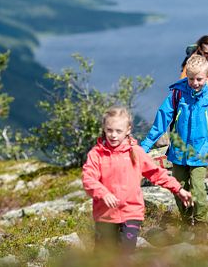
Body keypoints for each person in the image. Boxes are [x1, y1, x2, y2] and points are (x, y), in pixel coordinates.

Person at [82, 106, 193, 253]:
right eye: (109, 130)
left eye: (118, 131)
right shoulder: (96, 154)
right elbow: (88, 179)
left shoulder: (136, 152)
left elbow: (156, 173)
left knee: (125, 257)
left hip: (131, 213)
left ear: (128, 130)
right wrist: (103, 193)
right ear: (104, 128)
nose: (113, 135)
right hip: (105, 216)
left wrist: (178, 189)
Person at [142, 54, 208, 226]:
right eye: (191, 78)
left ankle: (201, 223)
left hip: (199, 153)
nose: (195, 83)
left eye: (199, 79)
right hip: (178, 153)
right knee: (178, 189)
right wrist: (145, 146)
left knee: (198, 189)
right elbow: (161, 121)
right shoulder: (177, 95)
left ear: (207, 77)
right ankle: (187, 221)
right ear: (186, 76)